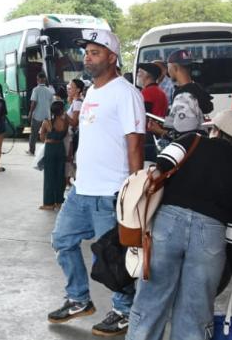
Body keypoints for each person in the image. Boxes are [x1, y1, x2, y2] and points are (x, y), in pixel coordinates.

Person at [48, 29, 144, 337]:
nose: (87, 57)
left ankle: (124, 311)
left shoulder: (126, 92)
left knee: (113, 257)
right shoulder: (91, 92)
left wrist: (134, 192)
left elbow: (135, 145)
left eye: (95, 52)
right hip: (81, 190)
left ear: (112, 57)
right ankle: (79, 299)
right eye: (86, 53)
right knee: (62, 240)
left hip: (110, 192)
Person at [127, 110, 232, 340]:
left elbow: (162, 164)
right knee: (195, 311)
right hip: (211, 235)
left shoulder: (191, 140)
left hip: (168, 224)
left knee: (150, 301)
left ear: (215, 128)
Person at [147, 50, 213, 144]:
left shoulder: (184, 96)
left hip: (189, 153)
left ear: (174, 67)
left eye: (168, 67)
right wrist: (163, 123)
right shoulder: (196, 89)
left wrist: (159, 131)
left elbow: (184, 136)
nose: (168, 71)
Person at [39, 100, 68, 211]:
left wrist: (47, 135)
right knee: (60, 175)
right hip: (61, 148)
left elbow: (42, 138)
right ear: (61, 110)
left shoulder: (47, 122)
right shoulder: (65, 122)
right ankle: (59, 201)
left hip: (50, 149)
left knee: (49, 176)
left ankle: (48, 203)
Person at [137, 62, 168, 163]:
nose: (138, 75)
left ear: (147, 75)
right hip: (158, 135)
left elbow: (142, 117)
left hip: (148, 136)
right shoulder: (161, 92)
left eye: (140, 72)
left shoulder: (147, 92)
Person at [28, 72, 54, 156]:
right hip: (47, 116)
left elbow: (33, 103)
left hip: (37, 116)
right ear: (45, 80)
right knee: (47, 134)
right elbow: (52, 104)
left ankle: (32, 151)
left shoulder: (35, 89)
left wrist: (30, 113)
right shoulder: (50, 90)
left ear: (38, 80)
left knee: (34, 134)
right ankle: (48, 150)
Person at [65, 79, 85, 182]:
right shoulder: (76, 101)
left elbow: (74, 122)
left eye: (71, 87)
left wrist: (63, 114)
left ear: (77, 90)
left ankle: (72, 179)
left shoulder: (78, 103)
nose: (69, 88)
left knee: (70, 159)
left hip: (73, 136)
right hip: (73, 135)